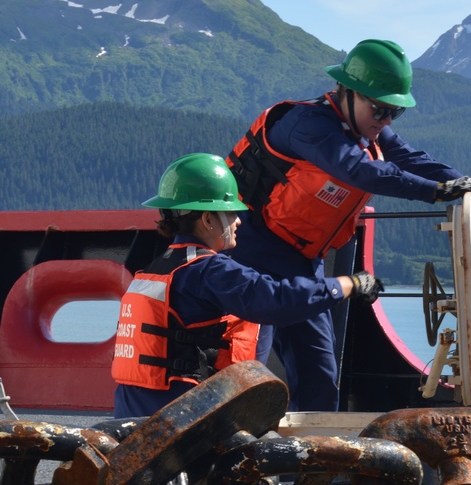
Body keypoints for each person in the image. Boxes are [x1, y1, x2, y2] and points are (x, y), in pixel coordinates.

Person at [226, 38, 471, 412]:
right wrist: (437, 192)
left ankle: (313, 466)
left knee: (319, 378)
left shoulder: (366, 125)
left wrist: (461, 183)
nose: (386, 121)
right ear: (348, 93)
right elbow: (360, 171)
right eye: (381, 110)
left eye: (395, 114)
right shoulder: (306, 125)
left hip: (299, 260)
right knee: (243, 370)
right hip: (248, 252)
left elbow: (405, 157)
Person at [111, 152, 383, 418]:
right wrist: (348, 284)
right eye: (230, 213)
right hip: (183, 425)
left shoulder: (152, 271)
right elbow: (277, 301)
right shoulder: (208, 270)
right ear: (207, 220)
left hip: (133, 419)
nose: (239, 220)